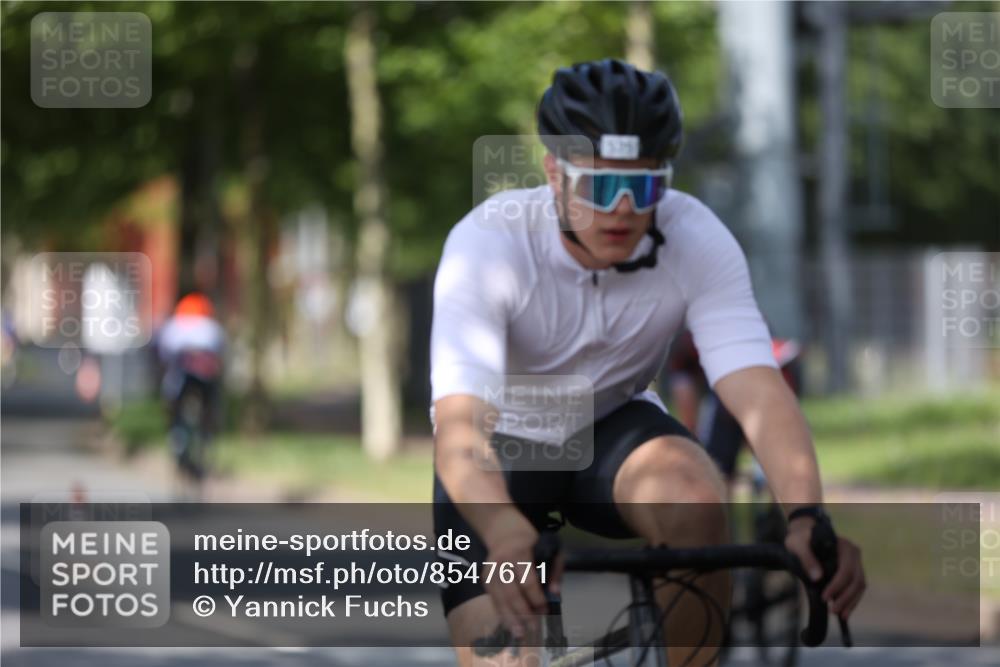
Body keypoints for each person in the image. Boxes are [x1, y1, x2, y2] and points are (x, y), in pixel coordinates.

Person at [431, 59, 865, 666]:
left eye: (647, 185)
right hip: (501, 449)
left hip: (612, 428)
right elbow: (458, 427)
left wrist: (806, 515)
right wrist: (502, 528)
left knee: (693, 491)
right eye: (603, 186)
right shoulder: (486, 247)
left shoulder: (695, 237)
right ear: (554, 173)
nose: (626, 209)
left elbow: (758, 393)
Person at [157, 292, 225, 477]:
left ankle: (177, 439)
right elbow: (221, 354)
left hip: (182, 380)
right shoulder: (212, 328)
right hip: (206, 381)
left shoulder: (174, 327)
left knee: (173, 406)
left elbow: (164, 354)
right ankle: (207, 435)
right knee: (210, 407)